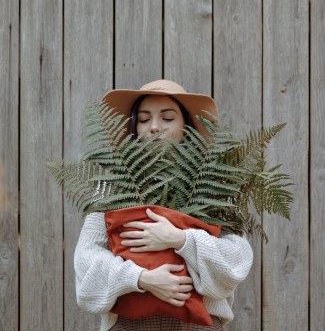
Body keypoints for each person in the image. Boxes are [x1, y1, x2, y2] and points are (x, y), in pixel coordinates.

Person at [74, 80, 253, 331]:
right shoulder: (111, 185)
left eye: (167, 118)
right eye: (144, 119)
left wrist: (180, 239)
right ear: (134, 127)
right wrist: (142, 278)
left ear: (186, 126)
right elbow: (85, 259)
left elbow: (237, 258)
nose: (154, 127)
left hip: (200, 324)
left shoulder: (216, 183)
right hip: (129, 324)